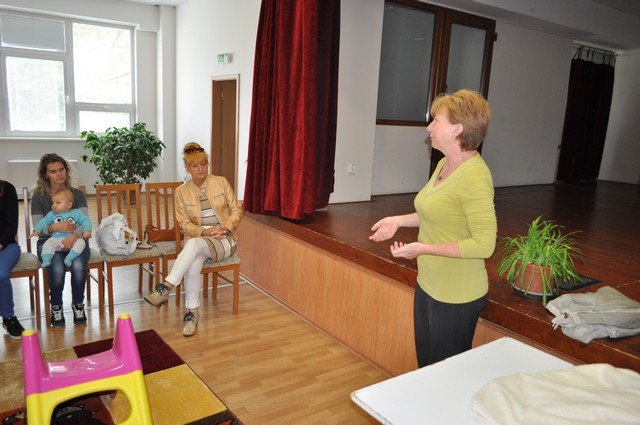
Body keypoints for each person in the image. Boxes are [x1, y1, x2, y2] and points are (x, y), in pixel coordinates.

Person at [369, 89, 497, 367]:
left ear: (457, 129)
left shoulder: (475, 177)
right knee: (427, 368)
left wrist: (423, 248)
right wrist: (398, 220)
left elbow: (484, 244)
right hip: (429, 284)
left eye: (436, 120)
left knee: (445, 375)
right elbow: (434, 213)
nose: (429, 127)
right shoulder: (443, 164)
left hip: (456, 294)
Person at [145, 142, 242, 336]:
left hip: (225, 237)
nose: (201, 169)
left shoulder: (221, 182)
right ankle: (192, 313)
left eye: (204, 164)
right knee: (193, 262)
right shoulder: (181, 192)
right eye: (195, 165)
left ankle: (166, 287)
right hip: (199, 239)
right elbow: (184, 223)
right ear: (187, 168)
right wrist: (204, 232)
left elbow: (236, 209)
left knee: (193, 245)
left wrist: (226, 228)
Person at [32, 154, 91, 328]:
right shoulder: (39, 196)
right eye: (53, 171)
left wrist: (73, 237)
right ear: (45, 175)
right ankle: (56, 307)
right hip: (49, 242)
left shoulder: (77, 194)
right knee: (57, 270)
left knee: (79, 268)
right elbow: (38, 227)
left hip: (76, 240)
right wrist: (53, 228)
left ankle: (78, 305)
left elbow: (85, 222)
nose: (59, 174)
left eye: (61, 169)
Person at [31, 189, 92, 268]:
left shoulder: (77, 213)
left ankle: (70, 257)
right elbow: (42, 222)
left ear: (69, 205)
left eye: (58, 203)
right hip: (56, 238)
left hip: (73, 239)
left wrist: (87, 230)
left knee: (81, 243)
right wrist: (36, 230)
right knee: (48, 244)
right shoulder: (52, 214)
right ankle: (46, 259)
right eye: (53, 203)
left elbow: (86, 221)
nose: (54, 205)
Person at [0, 179, 25, 339]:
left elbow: (12, 227)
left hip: (7, 245)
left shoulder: (6, 188)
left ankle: (8, 317)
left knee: (1, 275)